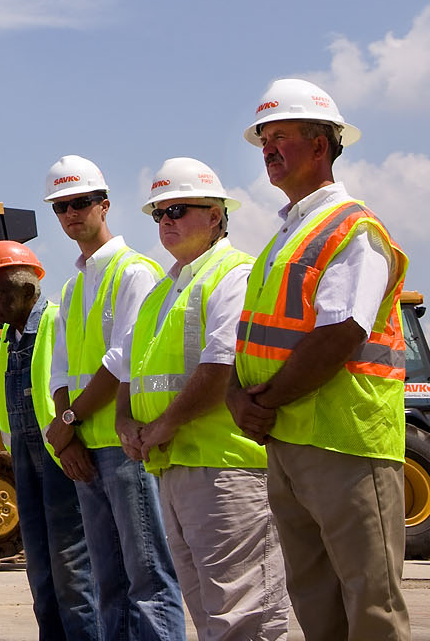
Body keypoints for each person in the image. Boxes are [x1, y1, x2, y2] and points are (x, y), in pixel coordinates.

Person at [228, 80, 410, 641]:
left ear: (321, 145)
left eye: (281, 136)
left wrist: (263, 401)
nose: (268, 149)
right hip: (289, 437)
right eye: (264, 139)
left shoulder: (353, 229)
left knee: (370, 604)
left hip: (347, 441)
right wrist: (240, 396)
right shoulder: (286, 235)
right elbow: (251, 338)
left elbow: (343, 332)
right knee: (314, 598)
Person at [115, 158, 288, 641]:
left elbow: (221, 365)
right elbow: (128, 371)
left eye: (179, 209)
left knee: (243, 615)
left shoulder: (236, 274)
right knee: (209, 614)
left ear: (215, 215)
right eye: (159, 213)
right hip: (172, 466)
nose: (166, 221)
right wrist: (125, 422)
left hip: (227, 468)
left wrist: (163, 425)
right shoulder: (162, 292)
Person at [39, 155, 185, 641]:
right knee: (109, 584)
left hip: (126, 450)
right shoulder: (75, 285)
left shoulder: (135, 273)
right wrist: (69, 431)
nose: (70, 215)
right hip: (88, 450)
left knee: (148, 580)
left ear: (104, 205)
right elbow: (61, 369)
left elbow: (121, 360)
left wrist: (70, 420)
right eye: (61, 207)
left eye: (80, 203)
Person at [0, 241, 99, 641]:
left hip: (59, 459)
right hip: (27, 463)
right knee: (42, 572)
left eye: (0, 294)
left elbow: (74, 384)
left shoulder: (56, 322)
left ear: (29, 292)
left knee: (72, 572)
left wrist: (70, 439)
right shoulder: (8, 340)